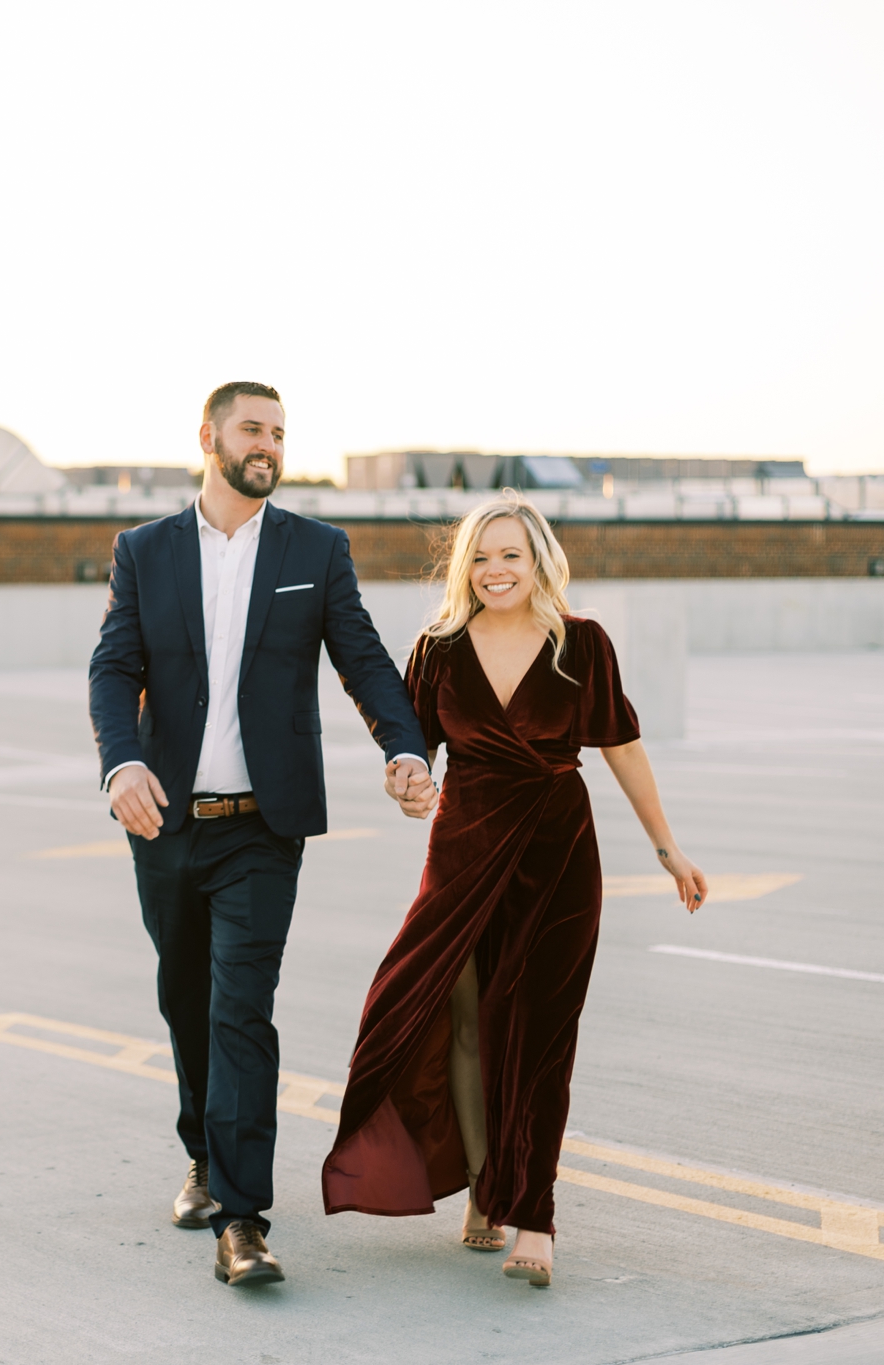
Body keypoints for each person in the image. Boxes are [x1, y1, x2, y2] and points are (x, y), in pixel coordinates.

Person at [88, 381, 435, 1288]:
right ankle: (202, 1155)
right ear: (209, 436)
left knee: (241, 1009)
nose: (269, 445)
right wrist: (121, 765)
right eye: (253, 429)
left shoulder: (315, 550)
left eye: (280, 432)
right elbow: (113, 665)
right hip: (164, 821)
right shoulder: (145, 551)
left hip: (263, 828)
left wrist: (404, 745)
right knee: (185, 1000)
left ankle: (242, 1219)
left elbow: (361, 655)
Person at [320, 489, 709, 1289]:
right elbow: (411, 749)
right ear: (466, 567)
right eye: (483, 557)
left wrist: (668, 849)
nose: (496, 570)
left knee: (539, 1035)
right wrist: (405, 781)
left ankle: (534, 1212)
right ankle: (482, 1187)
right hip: (462, 851)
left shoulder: (581, 643)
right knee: (453, 1020)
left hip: (558, 852)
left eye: (511, 556)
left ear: (538, 562)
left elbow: (625, 750)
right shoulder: (439, 647)